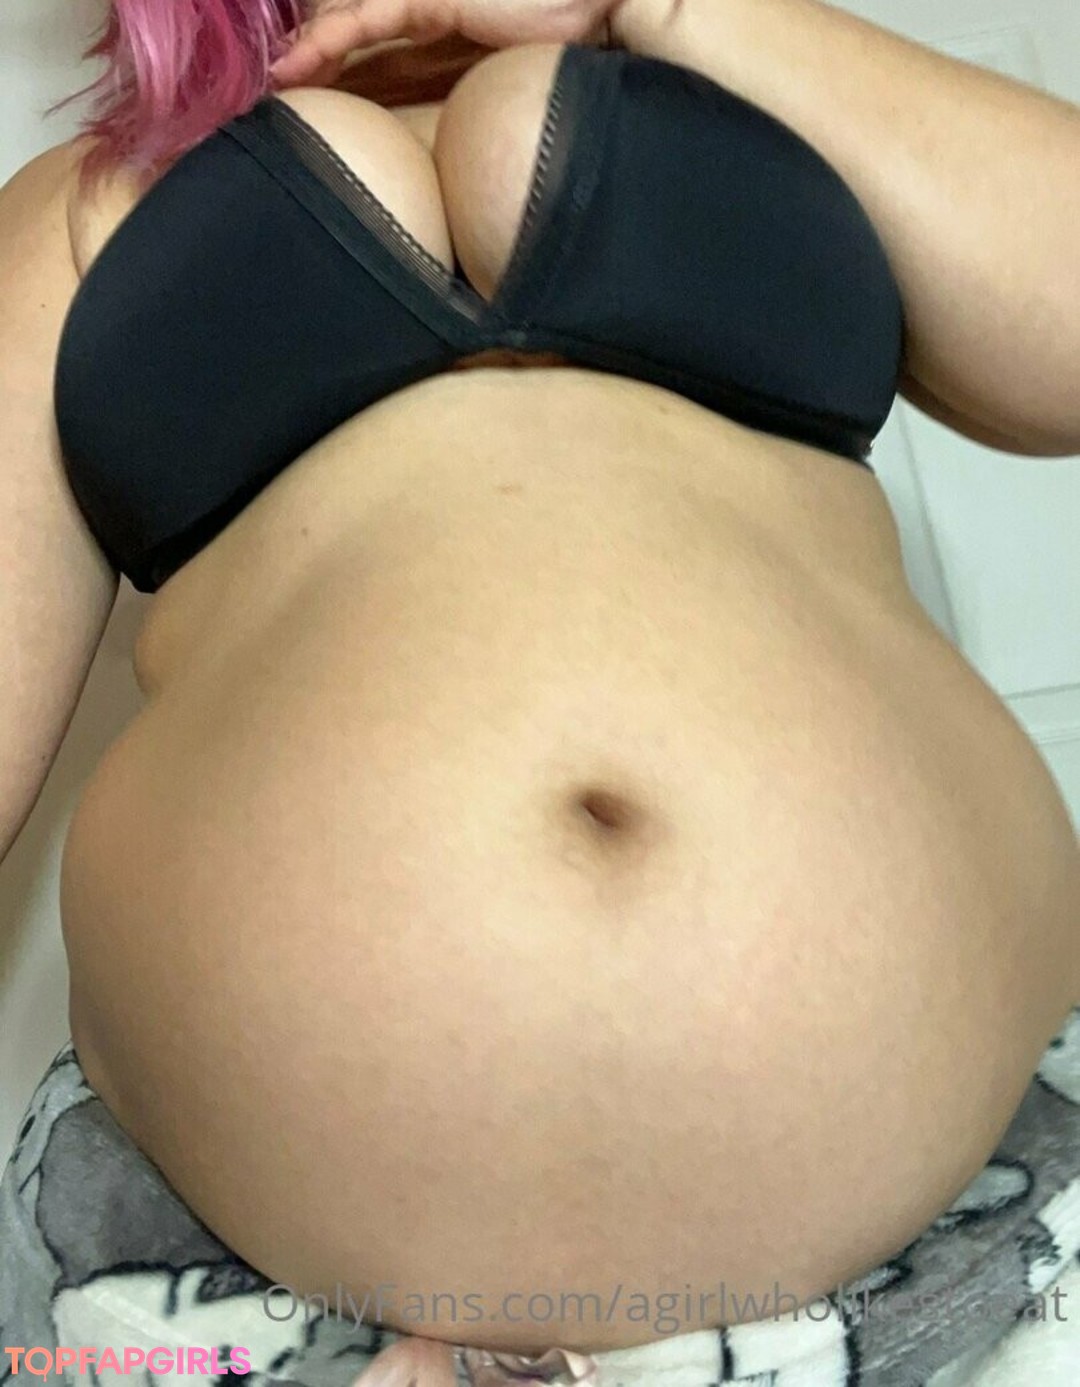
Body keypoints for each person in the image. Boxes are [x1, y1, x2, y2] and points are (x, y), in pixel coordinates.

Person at [1, 0, 1078, 1382]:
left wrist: (663, 7)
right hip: (255, 1302)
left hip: (987, 1241)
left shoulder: (762, 88)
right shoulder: (96, 204)